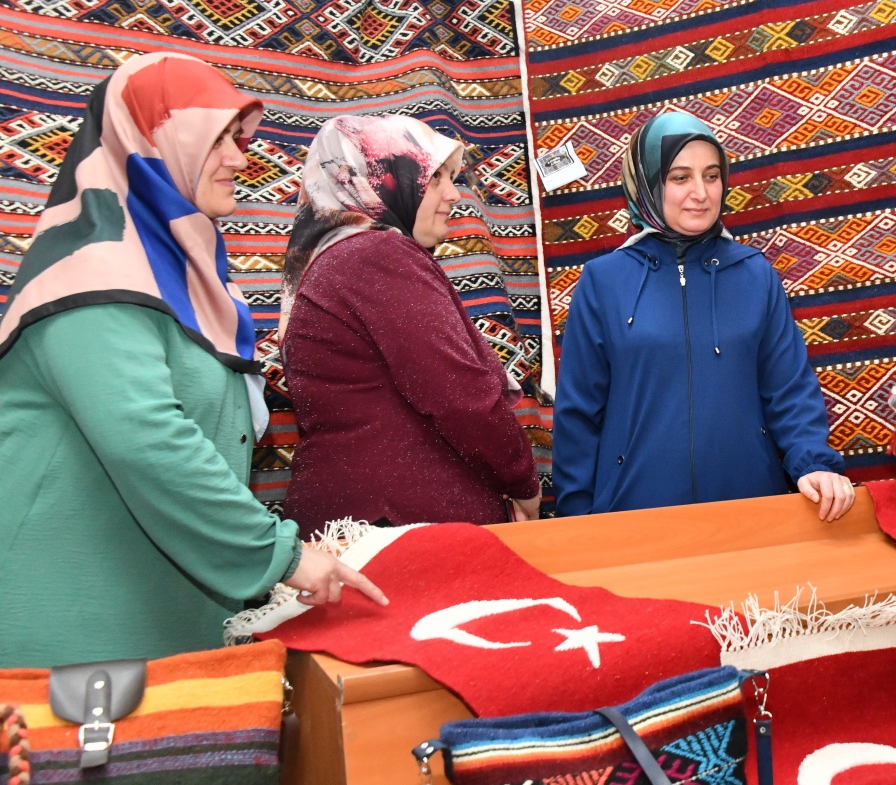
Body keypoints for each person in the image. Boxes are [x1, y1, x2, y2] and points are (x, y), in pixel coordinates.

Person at [0, 52, 385, 668]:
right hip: (63, 644)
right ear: (151, 144)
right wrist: (279, 555)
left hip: (146, 625)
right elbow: (147, 438)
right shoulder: (91, 280)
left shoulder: (178, 281)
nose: (240, 158)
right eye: (217, 140)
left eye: (239, 139)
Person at [553, 110, 854, 520]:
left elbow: (789, 391)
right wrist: (575, 519)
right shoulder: (603, 281)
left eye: (711, 176)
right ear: (648, 183)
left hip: (750, 509)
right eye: (680, 177)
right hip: (632, 515)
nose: (701, 193)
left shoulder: (754, 274)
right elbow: (578, 413)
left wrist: (814, 464)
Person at [279, 115, 540, 533]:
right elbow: (460, 394)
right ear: (381, 177)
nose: (454, 195)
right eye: (436, 178)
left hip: (367, 521)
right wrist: (524, 482)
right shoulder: (377, 255)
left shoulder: (336, 260)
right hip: (396, 527)